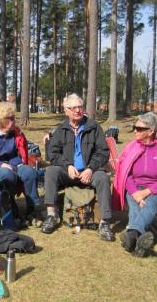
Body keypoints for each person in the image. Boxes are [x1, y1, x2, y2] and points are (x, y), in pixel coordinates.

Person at [41, 94, 114, 240]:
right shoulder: (61, 130)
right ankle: (51, 216)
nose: (77, 110)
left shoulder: (94, 127)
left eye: (80, 107)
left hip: (89, 172)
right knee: (50, 171)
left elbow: (103, 152)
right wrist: (67, 165)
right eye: (73, 108)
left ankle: (105, 222)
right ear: (66, 110)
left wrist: (90, 168)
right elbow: (52, 154)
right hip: (68, 172)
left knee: (103, 178)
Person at [113, 112, 157, 257]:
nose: (135, 130)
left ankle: (131, 234)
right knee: (134, 208)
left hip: (156, 189)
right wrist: (135, 192)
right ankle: (139, 243)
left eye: (139, 128)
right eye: (134, 127)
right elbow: (126, 173)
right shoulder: (131, 147)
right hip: (133, 187)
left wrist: (146, 192)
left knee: (149, 206)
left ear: (151, 131)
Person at [0, 101, 41, 222]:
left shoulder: (17, 133)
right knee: (7, 175)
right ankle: (10, 208)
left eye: (13, 117)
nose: (13, 121)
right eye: (9, 118)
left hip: (16, 164)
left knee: (29, 172)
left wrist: (19, 164)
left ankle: (33, 209)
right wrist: (0, 164)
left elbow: (22, 154)